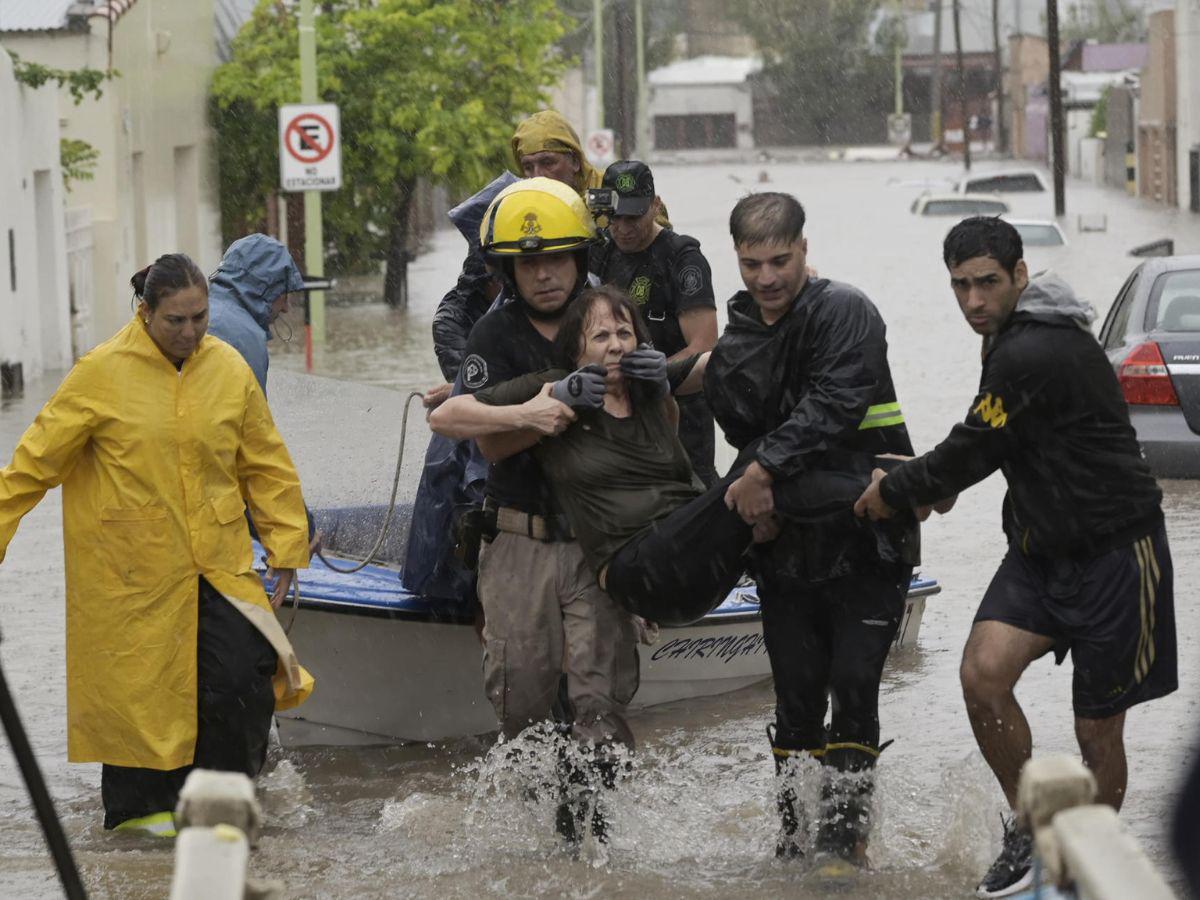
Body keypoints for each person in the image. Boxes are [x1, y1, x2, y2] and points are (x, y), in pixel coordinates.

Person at [854, 217, 1174, 898]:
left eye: (987, 283)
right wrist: (934, 482)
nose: (973, 300)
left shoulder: (1036, 347)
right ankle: (1032, 830)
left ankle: (1077, 868)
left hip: (1117, 554)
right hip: (1038, 552)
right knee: (982, 676)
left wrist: (901, 491)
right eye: (961, 286)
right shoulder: (1006, 339)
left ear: (1020, 276)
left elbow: (975, 448)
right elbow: (992, 439)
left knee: (1096, 728)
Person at [0, 254, 313, 836]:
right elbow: (31, 465)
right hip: (131, 572)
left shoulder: (227, 368)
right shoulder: (100, 371)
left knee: (243, 679)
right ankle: (140, 832)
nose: (191, 332)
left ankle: (224, 812)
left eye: (200, 316)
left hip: (217, 562)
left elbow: (264, 462)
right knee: (139, 695)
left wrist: (287, 545)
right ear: (145, 313)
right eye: (176, 320)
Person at [702, 192, 918, 867]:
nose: (767, 278)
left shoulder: (846, 311)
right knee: (795, 696)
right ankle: (794, 838)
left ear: (804, 248)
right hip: (785, 547)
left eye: (780, 260)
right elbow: (738, 429)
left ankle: (843, 841)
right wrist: (753, 495)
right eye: (750, 264)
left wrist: (763, 471)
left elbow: (834, 405)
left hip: (869, 538)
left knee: (854, 683)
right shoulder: (738, 338)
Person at [464, 285, 881, 628]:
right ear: (575, 351)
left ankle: (862, 531)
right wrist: (540, 406)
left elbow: (718, 360)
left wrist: (792, 301)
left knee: (766, 464)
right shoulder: (554, 384)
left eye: (624, 335)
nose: (615, 347)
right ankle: (886, 485)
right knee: (754, 472)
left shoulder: (647, 385)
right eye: (601, 337)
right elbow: (449, 415)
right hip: (639, 570)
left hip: (690, 562)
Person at [430, 110, 604, 389]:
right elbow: (459, 307)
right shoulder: (508, 212)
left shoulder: (611, 204)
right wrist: (466, 382)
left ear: (574, 160)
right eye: (529, 167)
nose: (539, 175)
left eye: (548, 163)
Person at [589, 160, 719, 485]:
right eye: (614, 217)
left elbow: (705, 348)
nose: (623, 228)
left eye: (634, 216)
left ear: (656, 205)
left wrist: (648, 378)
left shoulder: (682, 259)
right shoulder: (600, 252)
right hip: (616, 412)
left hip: (682, 414)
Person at [206, 232, 306, 393]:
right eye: (284, 293)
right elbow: (254, 415)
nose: (286, 308)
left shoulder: (198, 311)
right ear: (268, 288)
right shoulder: (246, 338)